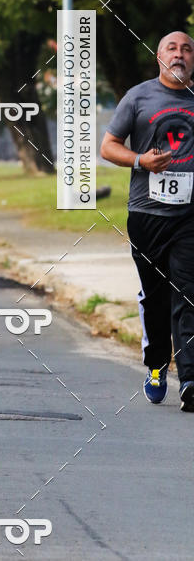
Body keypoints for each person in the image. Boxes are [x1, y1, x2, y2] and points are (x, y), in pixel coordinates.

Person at [101, 31, 194, 411]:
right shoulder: (138, 97)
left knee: (188, 293)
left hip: (189, 216)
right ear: (159, 57)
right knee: (156, 298)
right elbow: (108, 146)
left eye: (187, 49)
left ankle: (189, 379)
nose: (179, 54)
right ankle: (156, 365)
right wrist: (141, 161)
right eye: (172, 48)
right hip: (147, 214)